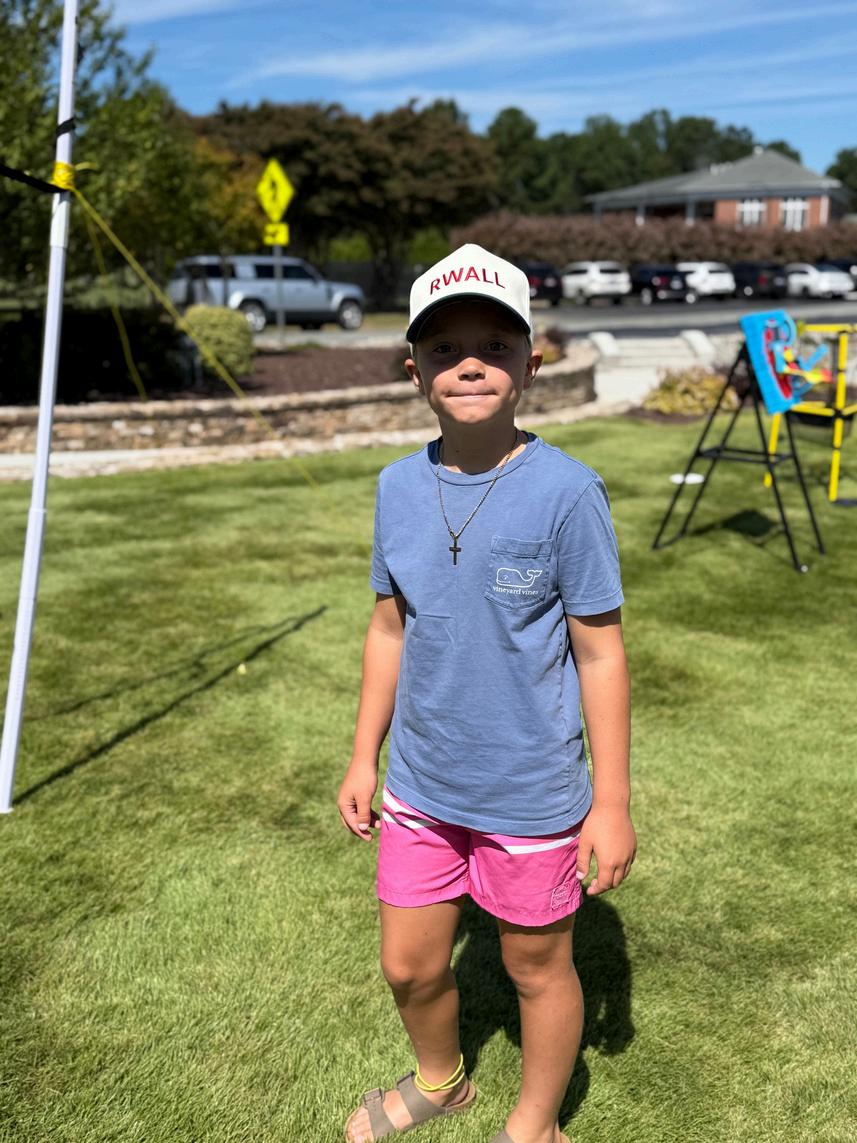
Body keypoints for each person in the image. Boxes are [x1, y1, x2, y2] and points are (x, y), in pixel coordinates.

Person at [337, 244, 636, 1143]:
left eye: (494, 346)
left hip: (529, 792)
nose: (470, 364)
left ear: (530, 364)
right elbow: (388, 627)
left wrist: (611, 801)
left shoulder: (568, 493)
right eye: (445, 348)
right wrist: (363, 755)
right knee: (408, 965)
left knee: (534, 964)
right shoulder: (396, 486)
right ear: (415, 371)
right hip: (421, 784)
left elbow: (600, 655)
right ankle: (442, 1080)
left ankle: (534, 1122)